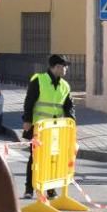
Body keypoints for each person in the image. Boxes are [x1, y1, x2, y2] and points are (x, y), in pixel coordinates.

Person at [22, 54, 74, 199]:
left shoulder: (65, 86)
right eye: (64, 66)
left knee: (53, 159)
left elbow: (69, 107)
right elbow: (29, 101)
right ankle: (29, 189)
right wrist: (27, 120)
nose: (66, 69)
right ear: (56, 67)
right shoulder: (39, 80)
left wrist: (72, 124)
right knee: (35, 158)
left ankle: (50, 189)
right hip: (38, 128)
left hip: (56, 130)